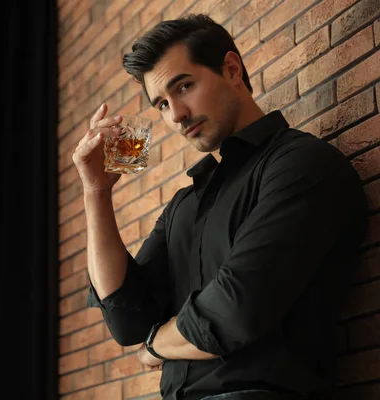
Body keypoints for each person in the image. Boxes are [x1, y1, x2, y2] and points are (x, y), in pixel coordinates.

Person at [71, 14, 368, 400]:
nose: (176, 115)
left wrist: (156, 345)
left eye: (185, 86)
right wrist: (95, 192)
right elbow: (127, 320)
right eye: (162, 103)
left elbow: (234, 313)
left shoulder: (301, 163)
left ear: (231, 68)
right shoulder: (185, 203)